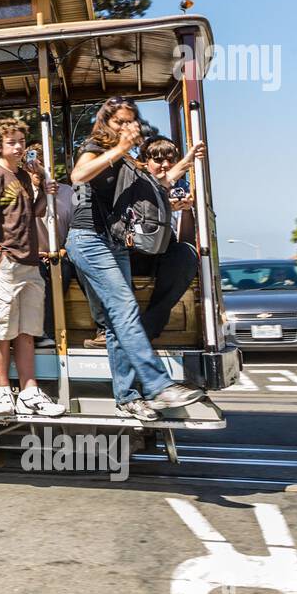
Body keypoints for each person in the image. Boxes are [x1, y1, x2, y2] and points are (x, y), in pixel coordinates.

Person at [65, 96, 208, 421]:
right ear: (106, 124)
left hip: (114, 241)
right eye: (120, 122)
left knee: (118, 325)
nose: (126, 127)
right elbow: (78, 174)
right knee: (125, 308)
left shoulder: (129, 160)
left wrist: (186, 161)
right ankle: (158, 386)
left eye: (131, 121)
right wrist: (118, 149)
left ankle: (127, 397)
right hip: (87, 238)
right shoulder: (96, 146)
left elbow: (157, 184)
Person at [0, 119, 65, 418]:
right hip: (5, 262)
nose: (19, 147)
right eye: (12, 142)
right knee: (2, 330)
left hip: (29, 260)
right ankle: (1, 391)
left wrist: (42, 187)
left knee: (26, 330)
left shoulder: (24, 175)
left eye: (22, 142)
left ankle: (29, 391)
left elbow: (36, 212)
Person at [129, 136, 206, 340]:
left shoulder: (183, 187)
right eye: (158, 160)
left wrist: (188, 211)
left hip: (163, 258)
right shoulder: (138, 184)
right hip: (137, 252)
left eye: (170, 160)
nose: (165, 165)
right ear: (146, 163)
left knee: (186, 254)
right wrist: (162, 210)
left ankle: (148, 326)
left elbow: (185, 241)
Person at [27, 145, 76, 348]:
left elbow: (78, 226)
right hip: (32, 255)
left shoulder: (69, 192)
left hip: (61, 253)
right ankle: (41, 333)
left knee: (61, 270)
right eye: (33, 164)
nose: (37, 169)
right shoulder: (22, 192)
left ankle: (55, 331)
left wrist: (65, 249)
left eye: (42, 163)